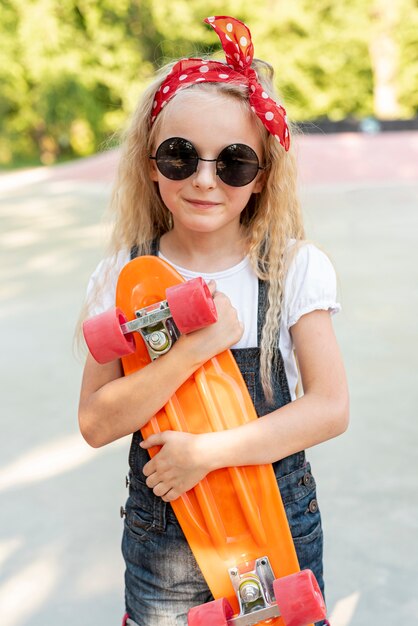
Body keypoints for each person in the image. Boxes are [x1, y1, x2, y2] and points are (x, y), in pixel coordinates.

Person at [78, 15, 349, 626]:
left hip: (274, 521)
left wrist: (207, 452)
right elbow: (96, 423)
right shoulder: (126, 275)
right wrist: (193, 350)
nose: (204, 179)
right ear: (151, 165)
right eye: (180, 157)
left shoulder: (292, 268)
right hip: (165, 542)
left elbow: (330, 407)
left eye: (233, 163)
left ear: (263, 177)